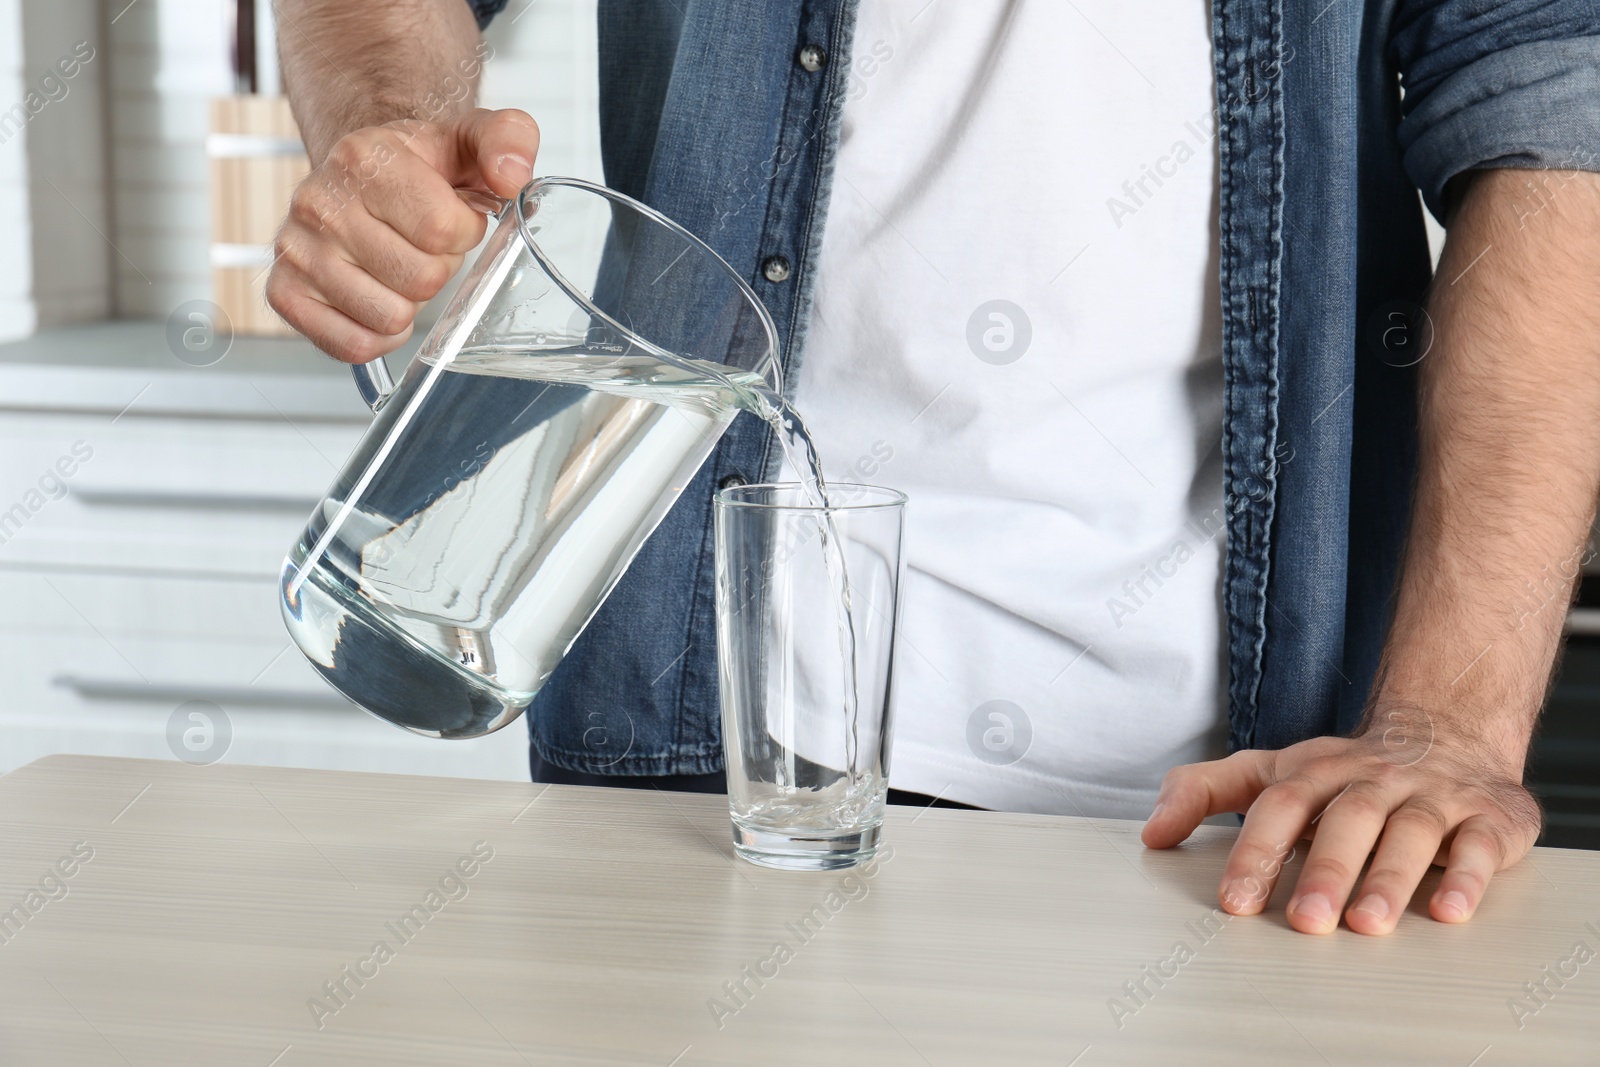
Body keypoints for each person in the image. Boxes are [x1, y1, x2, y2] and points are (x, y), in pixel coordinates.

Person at [266, 0, 1600, 936]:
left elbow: (1553, 111)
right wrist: (392, 134)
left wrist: (1444, 728)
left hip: (1244, 811)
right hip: (705, 760)